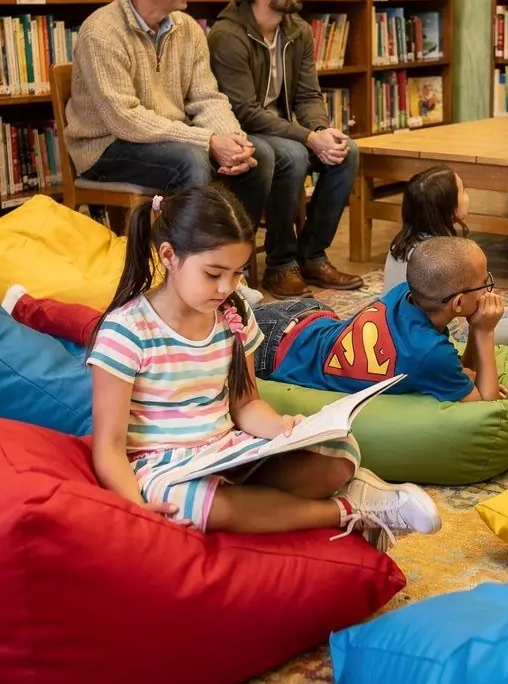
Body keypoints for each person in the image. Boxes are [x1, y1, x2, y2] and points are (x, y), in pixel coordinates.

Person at [86, 183, 440, 541]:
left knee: (340, 453)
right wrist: (134, 506)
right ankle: (349, 509)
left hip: (227, 453)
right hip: (167, 470)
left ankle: (334, 490)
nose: (226, 287)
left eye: (237, 273)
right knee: (193, 504)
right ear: (168, 256)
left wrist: (283, 428)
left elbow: (245, 404)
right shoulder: (126, 330)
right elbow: (109, 446)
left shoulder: (234, 314)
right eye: (213, 274)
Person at [65, 0, 270, 220]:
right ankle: (187, 248)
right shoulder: (101, 32)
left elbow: (207, 98)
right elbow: (125, 119)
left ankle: (233, 247)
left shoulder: (188, 28)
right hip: (106, 148)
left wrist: (232, 139)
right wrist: (209, 140)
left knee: (258, 155)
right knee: (192, 161)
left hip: (170, 139)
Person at [207, 0, 363, 299]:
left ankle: (312, 255)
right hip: (243, 132)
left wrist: (320, 131)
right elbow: (244, 110)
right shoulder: (227, 36)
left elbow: (308, 95)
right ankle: (280, 264)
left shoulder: (298, 31)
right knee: (291, 155)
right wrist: (307, 138)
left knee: (347, 151)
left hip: (286, 131)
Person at [253, 237, 508, 403]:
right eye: (485, 282)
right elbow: (486, 402)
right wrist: (484, 331)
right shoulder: (430, 353)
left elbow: (463, 372)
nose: (489, 288)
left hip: (303, 316)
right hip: (272, 351)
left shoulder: (403, 293)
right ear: (458, 303)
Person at [384, 165, 508, 350]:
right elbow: (452, 311)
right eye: (463, 191)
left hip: (399, 329)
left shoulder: (400, 243)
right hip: (441, 336)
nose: (467, 195)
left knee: (507, 311)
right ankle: (492, 351)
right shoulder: (439, 254)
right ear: (448, 208)